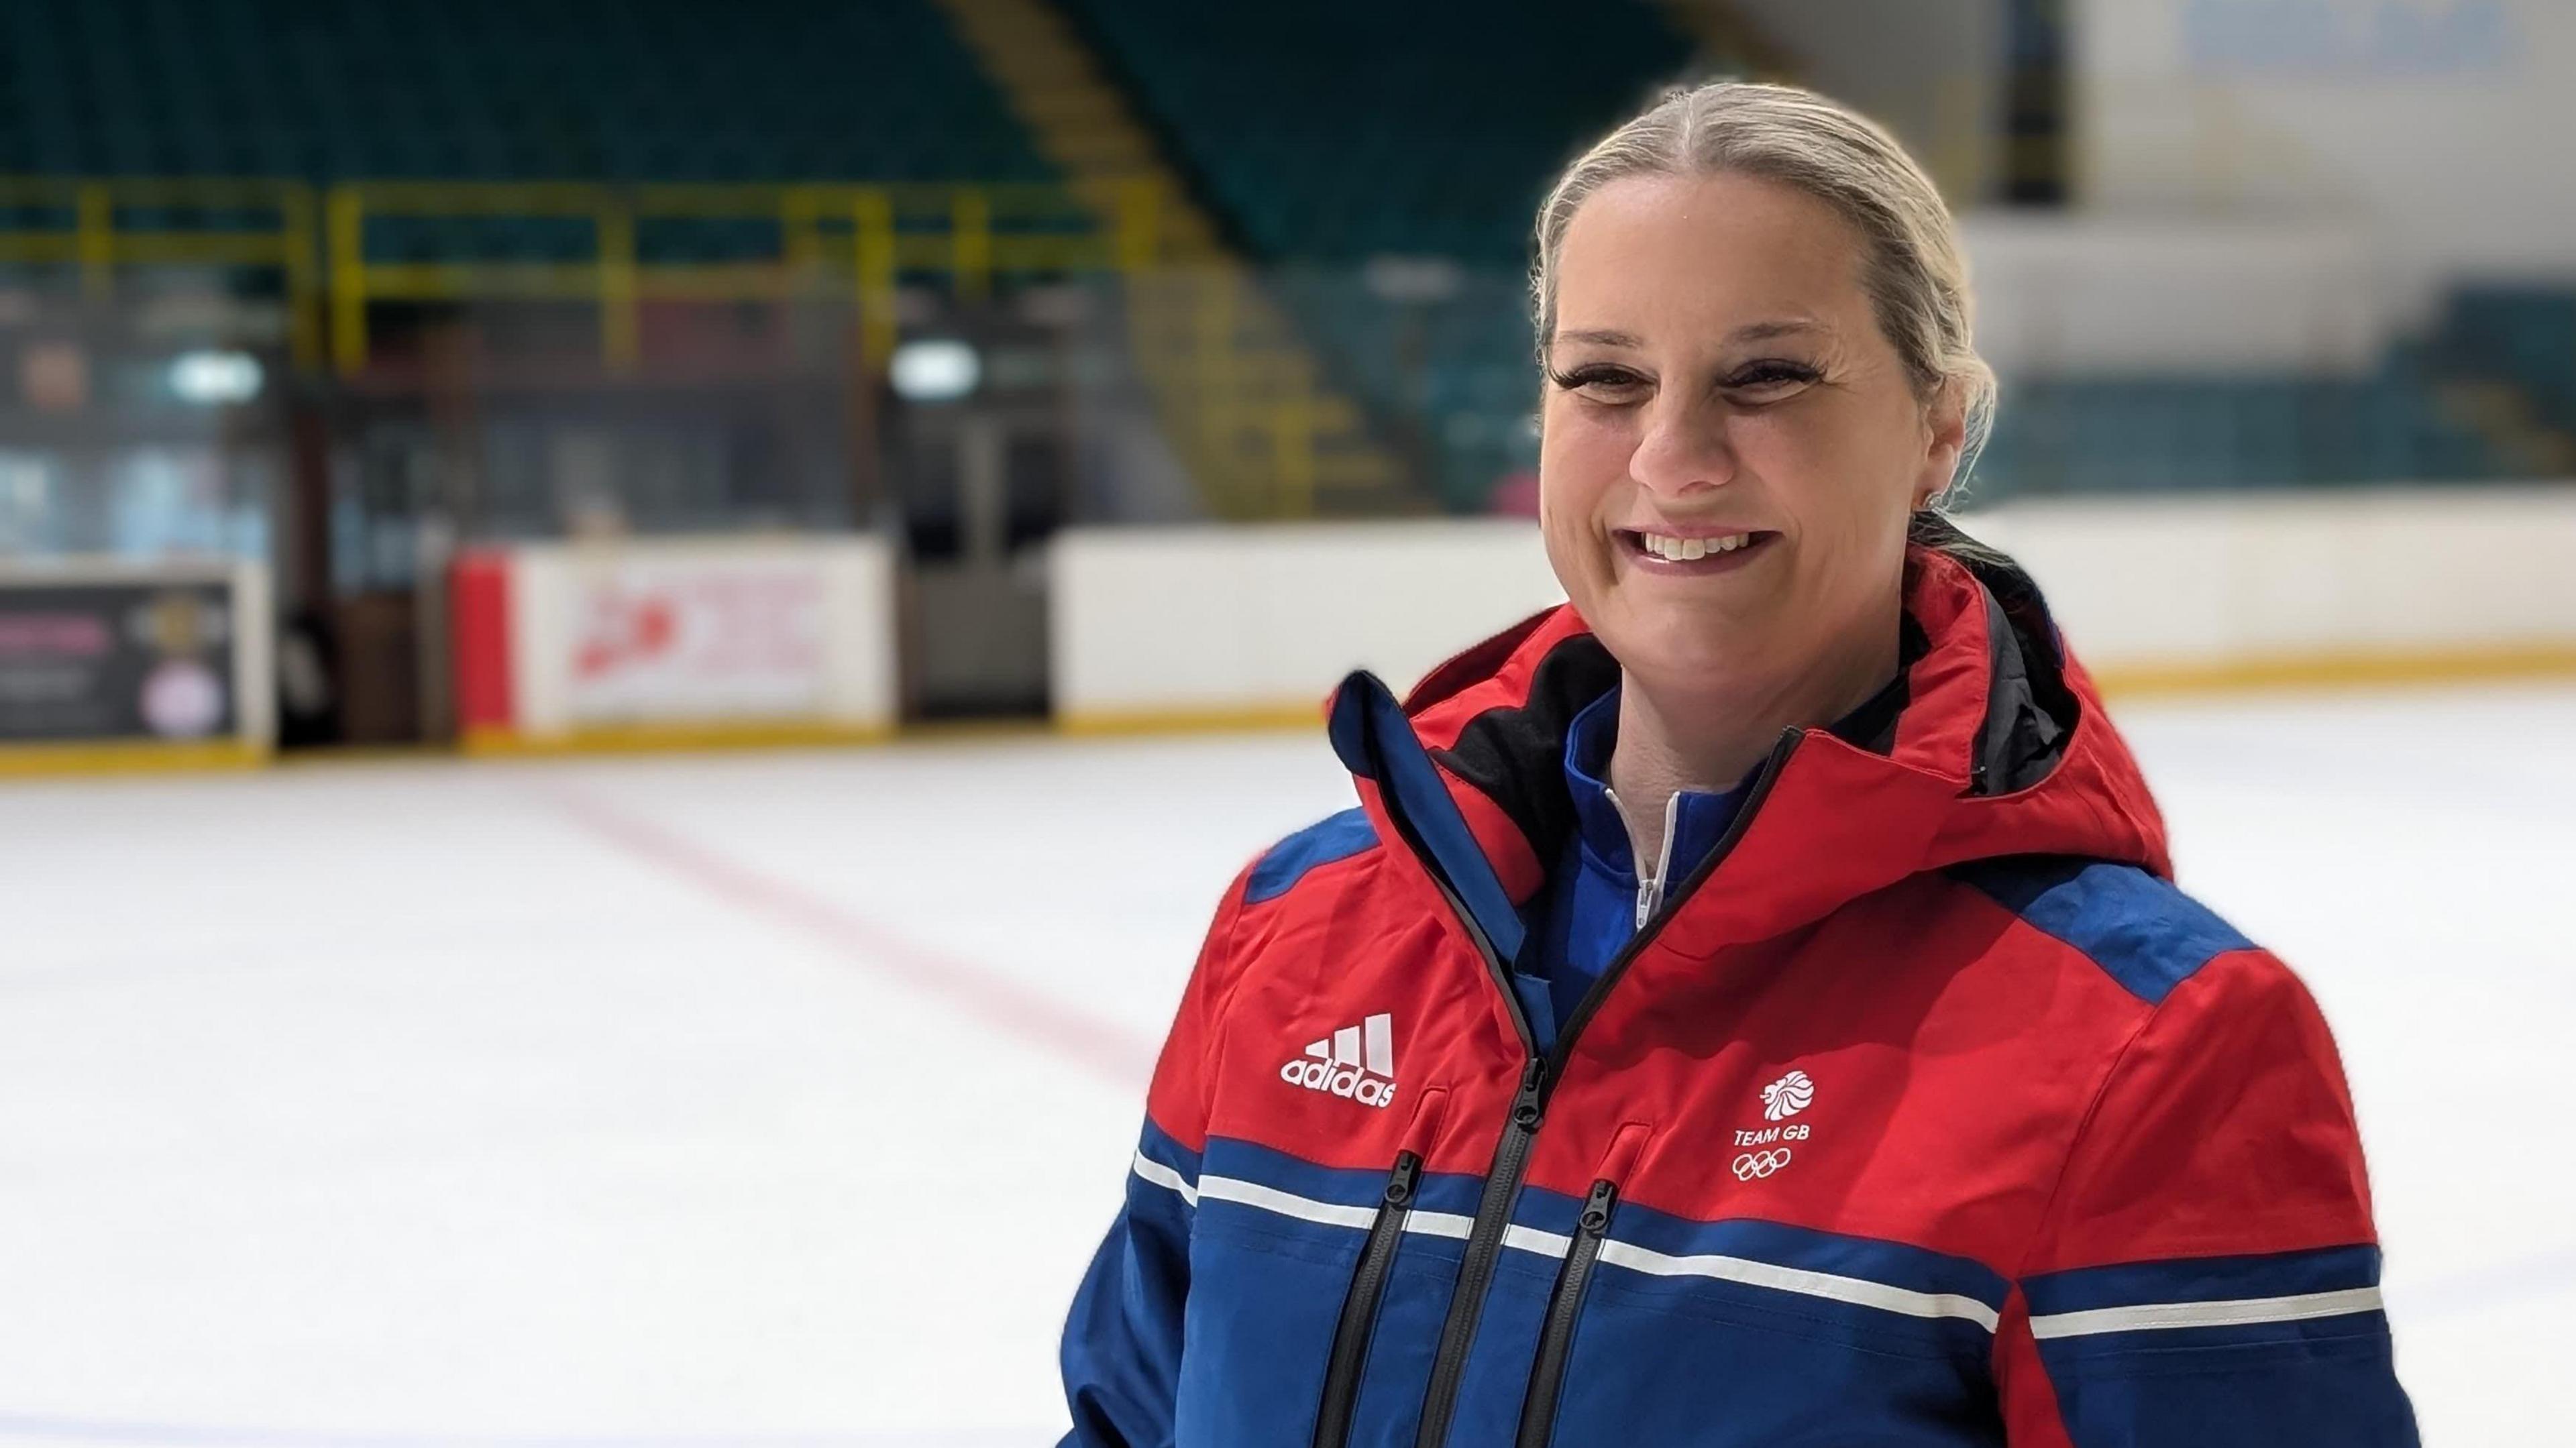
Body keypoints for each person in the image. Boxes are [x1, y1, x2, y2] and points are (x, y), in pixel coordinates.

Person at [1057, 81, 2419, 1447]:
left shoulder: (2149, 1044)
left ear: (1938, 430)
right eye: (1605, 379)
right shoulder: (1296, 930)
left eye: (1766, 376)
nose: (1673, 457)